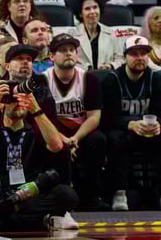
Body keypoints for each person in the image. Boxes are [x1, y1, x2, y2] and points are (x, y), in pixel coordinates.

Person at [0, 45, 77, 234]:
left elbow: (56, 145)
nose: (16, 102)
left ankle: (8, 219)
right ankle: (28, 219)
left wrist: (35, 108)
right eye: (11, 99)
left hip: (29, 191)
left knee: (66, 194)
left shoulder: (34, 125)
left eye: (29, 59)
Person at [103, 36, 161, 212]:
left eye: (144, 54)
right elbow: (107, 117)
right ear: (125, 57)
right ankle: (119, 193)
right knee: (115, 139)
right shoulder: (112, 79)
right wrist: (130, 124)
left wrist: (159, 124)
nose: (140, 58)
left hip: (148, 131)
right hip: (124, 131)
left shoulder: (157, 78)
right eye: (134, 54)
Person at [41, 33, 109, 211]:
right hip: (54, 133)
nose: (69, 53)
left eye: (72, 50)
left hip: (81, 133)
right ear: (51, 56)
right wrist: (62, 138)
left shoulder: (89, 79)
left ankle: (92, 196)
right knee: (44, 142)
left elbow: (94, 117)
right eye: (63, 50)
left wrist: (75, 139)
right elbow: (42, 118)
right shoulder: (42, 80)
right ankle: (56, 196)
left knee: (99, 140)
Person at [70, 0, 123, 71]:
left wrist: (111, 66)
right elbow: (69, 61)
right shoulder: (72, 34)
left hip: (106, 77)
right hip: (82, 77)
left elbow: (120, 59)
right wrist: (85, 68)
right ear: (80, 14)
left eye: (95, 7)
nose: (92, 11)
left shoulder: (111, 33)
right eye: (87, 9)